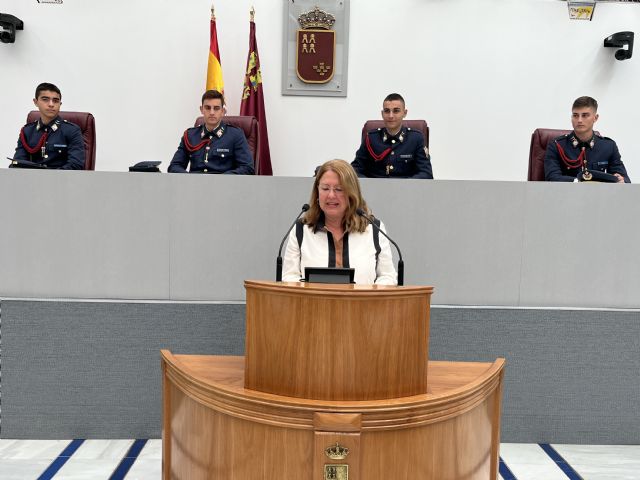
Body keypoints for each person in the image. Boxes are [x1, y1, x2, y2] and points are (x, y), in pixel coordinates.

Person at [282, 159, 397, 285]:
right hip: (313, 304)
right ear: (317, 192)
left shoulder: (374, 229)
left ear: (351, 193)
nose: (331, 195)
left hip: (362, 303)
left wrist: (368, 296)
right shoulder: (301, 229)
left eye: (339, 189)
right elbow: (289, 277)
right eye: (325, 188)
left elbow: (388, 276)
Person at [544, 96, 630, 183]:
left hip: (599, 195)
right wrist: (581, 181)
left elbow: (625, 179)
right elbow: (552, 178)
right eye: (575, 115)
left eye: (585, 115)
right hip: (566, 195)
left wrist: (621, 180)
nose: (579, 120)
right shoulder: (557, 146)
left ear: (595, 118)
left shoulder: (608, 146)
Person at [168, 90, 254, 174]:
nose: (212, 112)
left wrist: (222, 179)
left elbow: (247, 168)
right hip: (195, 186)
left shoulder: (235, 135)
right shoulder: (190, 135)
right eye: (207, 108)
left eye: (216, 108)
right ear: (201, 110)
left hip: (223, 186)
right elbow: (174, 166)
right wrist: (190, 179)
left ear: (222, 111)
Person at [351, 93, 433, 179]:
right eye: (387, 111)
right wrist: (370, 185)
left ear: (404, 113)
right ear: (382, 114)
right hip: (375, 190)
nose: (390, 116)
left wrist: (403, 186)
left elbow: (426, 173)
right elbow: (355, 170)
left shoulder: (416, 139)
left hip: (406, 190)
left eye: (396, 111)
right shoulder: (371, 138)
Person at [11, 82, 85, 169]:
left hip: (61, 180)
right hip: (31, 180)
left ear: (60, 104)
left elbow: (75, 165)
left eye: (55, 101)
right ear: (36, 102)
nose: (51, 104)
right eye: (45, 99)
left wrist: (49, 178)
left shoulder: (72, 131)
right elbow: (18, 163)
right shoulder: (27, 132)